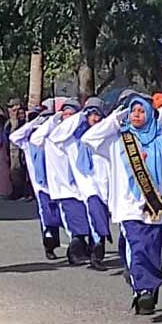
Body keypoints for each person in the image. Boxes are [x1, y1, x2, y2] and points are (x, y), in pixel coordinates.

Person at [82, 95, 162, 314]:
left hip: (154, 205)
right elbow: (89, 138)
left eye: (141, 111)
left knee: (153, 248)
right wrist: (117, 118)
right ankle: (142, 290)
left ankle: (150, 289)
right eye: (133, 111)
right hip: (127, 205)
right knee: (137, 247)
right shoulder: (118, 141)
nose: (136, 114)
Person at [50, 97, 113, 271]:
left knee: (100, 220)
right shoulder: (72, 137)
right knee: (92, 220)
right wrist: (77, 118)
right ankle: (94, 256)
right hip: (84, 187)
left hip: (104, 186)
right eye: (90, 115)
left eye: (97, 115)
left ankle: (94, 252)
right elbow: (55, 135)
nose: (94, 119)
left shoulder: (106, 136)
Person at [32, 99, 93, 265]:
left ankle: (86, 250)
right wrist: (54, 118)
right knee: (77, 225)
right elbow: (35, 138)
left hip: (84, 187)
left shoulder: (82, 136)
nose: (68, 117)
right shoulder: (56, 135)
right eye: (64, 114)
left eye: (70, 114)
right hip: (66, 188)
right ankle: (74, 253)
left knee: (88, 224)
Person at [9, 101, 63, 260]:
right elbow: (14, 136)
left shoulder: (53, 138)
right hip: (40, 185)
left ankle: (77, 244)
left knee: (63, 213)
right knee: (47, 214)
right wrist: (34, 122)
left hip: (58, 181)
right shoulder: (28, 141)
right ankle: (49, 245)